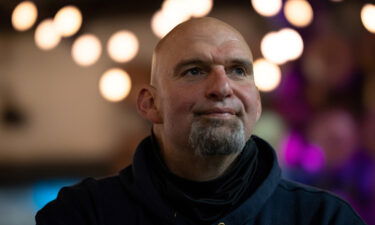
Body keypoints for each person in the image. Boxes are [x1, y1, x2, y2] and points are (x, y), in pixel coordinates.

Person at [35, 17, 365, 225]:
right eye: (194, 71)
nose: (222, 87)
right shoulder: (82, 215)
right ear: (150, 104)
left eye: (238, 71)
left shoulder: (324, 218)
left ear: (257, 103)